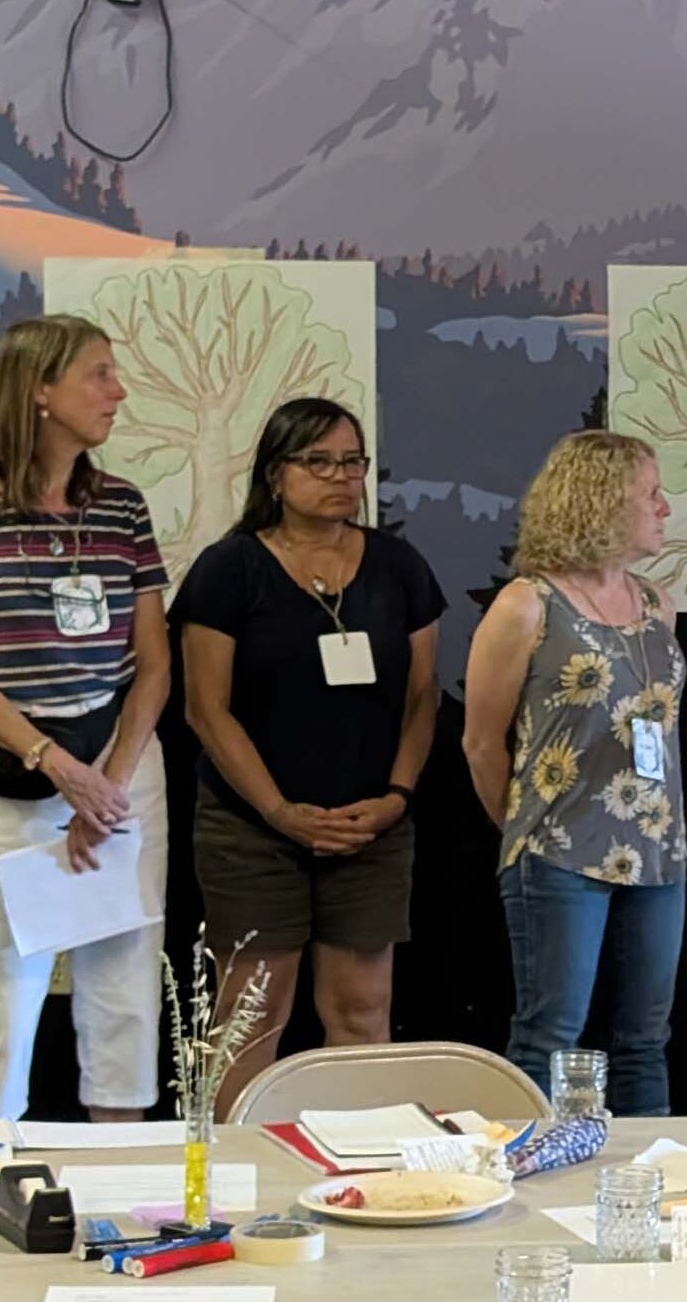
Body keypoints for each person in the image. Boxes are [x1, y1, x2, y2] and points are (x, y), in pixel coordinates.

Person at [0, 315, 170, 1121]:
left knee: (124, 999)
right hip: (4, 783)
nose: (118, 391)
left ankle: (122, 1172)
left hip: (120, 765)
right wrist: (59, 768)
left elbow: (154, 664)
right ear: (40, 390)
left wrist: (105, 787)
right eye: (99, 374)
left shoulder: (122, 507)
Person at [177, 398, 446, 1116]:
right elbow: (206, 708)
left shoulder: (398, 566)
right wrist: (278, 810)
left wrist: (396, 797)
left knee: (363, 1007)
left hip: (370, 826)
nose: (341, 476)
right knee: (251, 1014)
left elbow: (423, 696)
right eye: (318, 461)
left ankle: (355, 1162)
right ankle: (233, 1165)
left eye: (353, 462)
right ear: (276, 473)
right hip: (252, 827)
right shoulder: (229, 569)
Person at [463, 431, 687, 1116]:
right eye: (651, 494)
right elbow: (481, 742)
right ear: (603, 501)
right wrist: (526, 830)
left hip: (657, 850)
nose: (665, 508)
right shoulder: (527, 605)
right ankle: (533, 1164)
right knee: (551, 1034)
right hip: (558, 851)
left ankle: (650, 1170)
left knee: (645, 1039)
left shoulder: (658, 605)